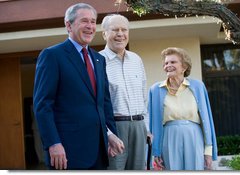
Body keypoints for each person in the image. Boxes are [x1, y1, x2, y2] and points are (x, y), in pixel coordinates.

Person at [33, 3, 124, 170]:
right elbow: (43, 106)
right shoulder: (52, 55)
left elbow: (104, 103)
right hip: (67, 152)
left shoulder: (99, 59)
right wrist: (53, 143)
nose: (90, 26)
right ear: (69, 25)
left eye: (93, 21)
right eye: (84, 21)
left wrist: (110, 134)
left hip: (99, 150)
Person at [148, 47, 217, 170]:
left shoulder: (198, 86)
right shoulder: (155, 89)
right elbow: (152, 122)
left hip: (194, 135)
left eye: (173, 62)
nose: (168, 65)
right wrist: (156, 151)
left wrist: (208, 151)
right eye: (166, 63)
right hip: (168, 136)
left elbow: (207, 120)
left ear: (184, 67)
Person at [99, 14, 152, 170]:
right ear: (104, 34)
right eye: (115, 30)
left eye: (124, 30)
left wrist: (146, 128)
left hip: (139, 127)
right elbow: (97, 105)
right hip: (115, 127)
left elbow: (144, 98)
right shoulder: (97, 61)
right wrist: (108, 134)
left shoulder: (136, 59)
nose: (120, 34)